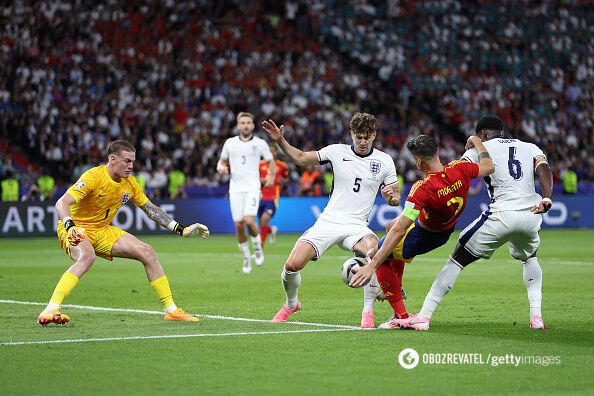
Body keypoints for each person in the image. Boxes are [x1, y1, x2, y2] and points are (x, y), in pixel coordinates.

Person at [399, 115, 553, 331]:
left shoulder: (476, 150)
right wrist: (546, 197)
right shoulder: (529, 146)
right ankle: (536, 318)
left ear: (481, 134)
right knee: (529, 258)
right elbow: (543, 168)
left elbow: (455, 175)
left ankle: (423, 317)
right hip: (531, 214)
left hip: (501, 214)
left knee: (456, 260)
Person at [37, 140, 210, 326]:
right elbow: (61, 203)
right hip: (75, 227)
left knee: (147, 252)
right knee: (87, 256)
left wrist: (181, 229)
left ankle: (171, 310)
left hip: (102, 230)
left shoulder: (130, 183)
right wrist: (70, 226)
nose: (131, 166)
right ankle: (50, 309)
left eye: (133, 161)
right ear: (112, 159)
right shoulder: (94, 177)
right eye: (127, 161)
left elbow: (150, 209)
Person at [262, 113, 401, 328]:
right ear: (351, 134)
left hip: (357, 225)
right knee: (292, 265)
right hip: (329, 221)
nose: (362, 142)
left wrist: (391, 198)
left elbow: (395, 198)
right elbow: (300, 158)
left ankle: (368, 313)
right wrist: (280, 140)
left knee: (374, 252)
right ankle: (291, 304)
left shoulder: (385, 161)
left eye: (367, 137)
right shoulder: (337, 151)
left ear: (374, 135)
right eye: (358, 137)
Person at [350, 134, 494, 329]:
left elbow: (401, 230)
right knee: (390, 226)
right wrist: (477, 141)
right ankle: (395, 286)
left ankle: (400, 316)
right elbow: (489, 167)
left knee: (380, 254)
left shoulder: (422, 188)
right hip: (443, 230)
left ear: (418, 161)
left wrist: (372, 265)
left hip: (422, 236)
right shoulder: (460, 168)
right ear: (436, 152)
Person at [217, 112, 276, 274]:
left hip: (252, 188)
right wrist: (220, 168)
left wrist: (271, 177)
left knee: (249, 221)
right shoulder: (230, 143)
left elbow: (271, 162)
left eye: (248, 122)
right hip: (235, 189)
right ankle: (246, 257)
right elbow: (221, 162)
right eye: (242, 122)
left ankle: (257, 248)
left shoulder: (260, 143)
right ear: (238, 125)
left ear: (253, 125)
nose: (245, 125)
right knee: (238, 225)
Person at [258, 144, 288, 247]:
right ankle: (271, 230)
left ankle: (260, 249)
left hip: (272, 198)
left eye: (273, 151)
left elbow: (285, 179)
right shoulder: (259, 165)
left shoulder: (281, 166)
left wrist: (281, 182)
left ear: (275, 153)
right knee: (262, 224)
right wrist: (260, 180)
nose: (271, 153)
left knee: (264, 220)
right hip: (259, 198)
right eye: (268, 151)